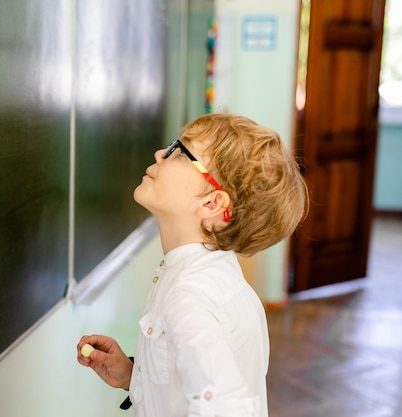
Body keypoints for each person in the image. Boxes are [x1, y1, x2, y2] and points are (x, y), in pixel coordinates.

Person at [76, 113, 308, 417]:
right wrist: (133, 376)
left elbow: (227, 407)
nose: (161, 153)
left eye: (180, 152)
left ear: (212, 204)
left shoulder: (191, 297)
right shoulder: (206, 277)